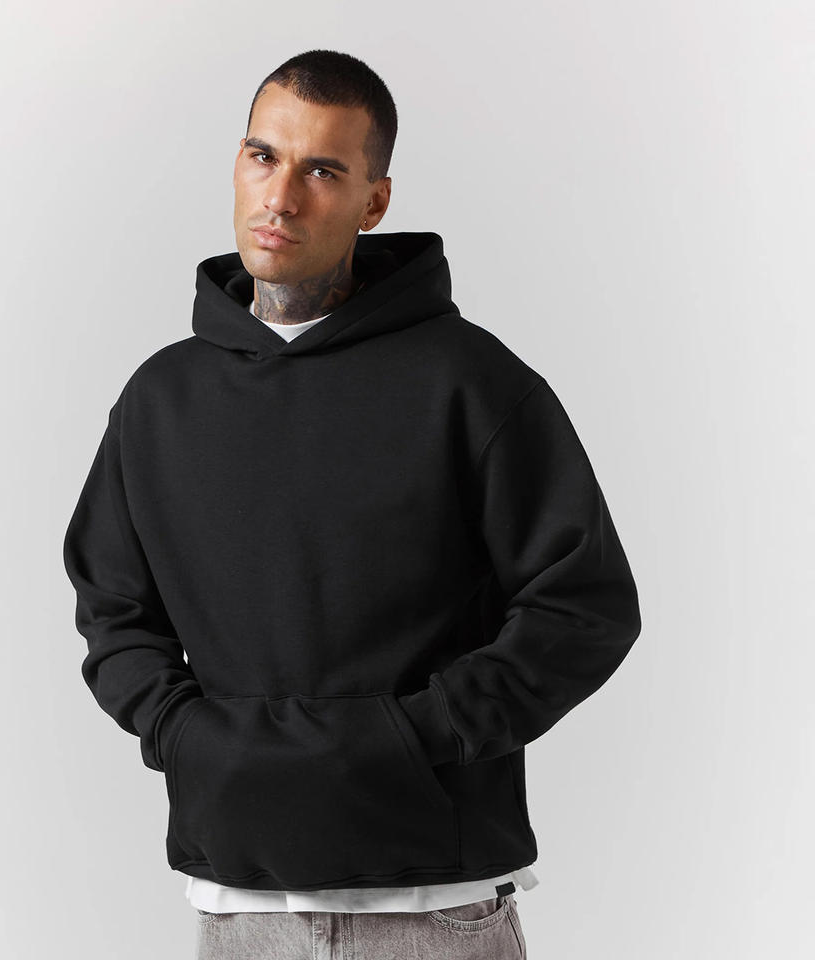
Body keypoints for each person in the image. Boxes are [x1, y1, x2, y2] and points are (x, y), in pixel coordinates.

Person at [63, 48, 642, 959]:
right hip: (240, 910)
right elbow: (112, 609)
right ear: (237, 162)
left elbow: (585, 606)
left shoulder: (471, 383)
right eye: (263, 156)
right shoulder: (160, 400)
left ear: (375, 202)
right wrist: (182, 731)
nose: (281, 197)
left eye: (323, 171)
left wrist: (419, 733)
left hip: (433, 911)